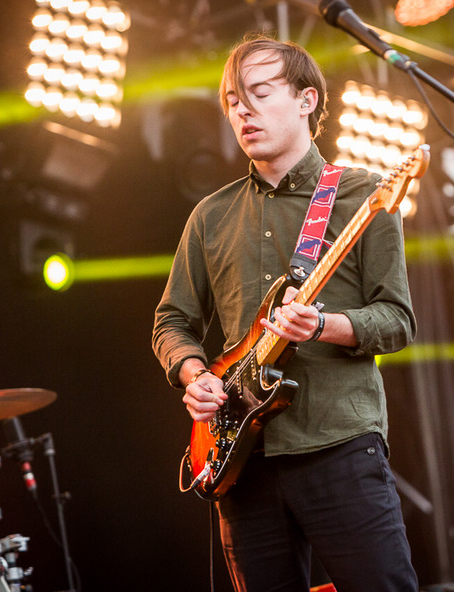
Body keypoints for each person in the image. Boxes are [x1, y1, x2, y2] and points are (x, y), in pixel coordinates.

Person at [152, 34, 420, 591]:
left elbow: (397, 320)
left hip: (338, 444)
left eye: (260, 92)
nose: (242, 110)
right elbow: (171, 321)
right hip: (240, 459)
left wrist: (325, 325)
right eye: (232, 100)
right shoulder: (209, 215)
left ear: (307, 100)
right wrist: (195, 375)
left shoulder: (362, 194)